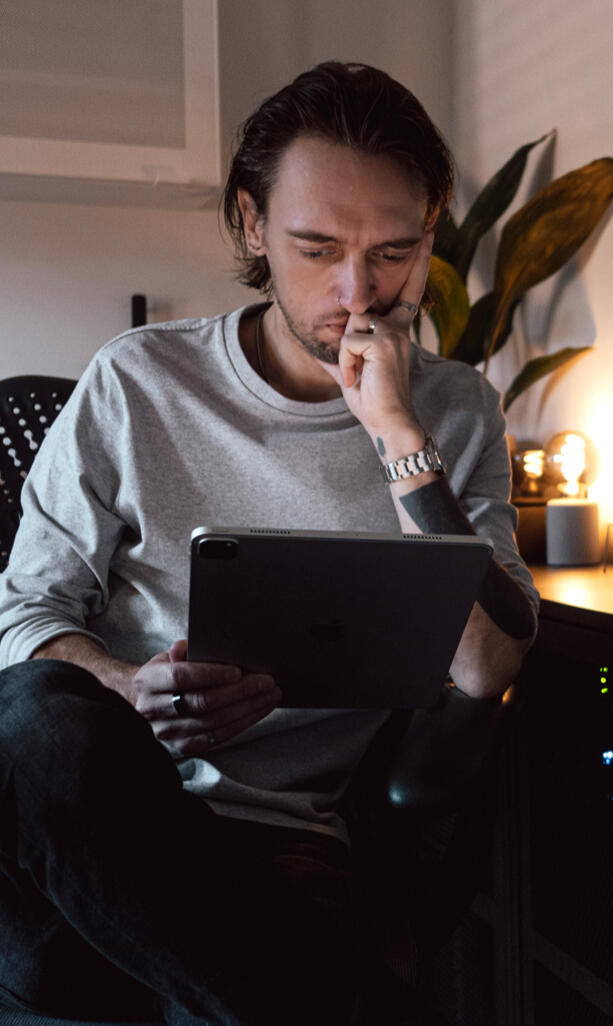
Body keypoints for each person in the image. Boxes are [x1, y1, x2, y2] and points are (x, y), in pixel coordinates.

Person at [0, 62, 538, 1025]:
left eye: (394, 252)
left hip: (277, 854)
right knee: (37, 714)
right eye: (317, 248)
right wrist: (127, 691)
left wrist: (398, 441)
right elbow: (21, 615)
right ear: (252, 224)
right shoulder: (139, 381)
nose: (356, 290)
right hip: (87, 830)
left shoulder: (454, 411)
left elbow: (491, 662)